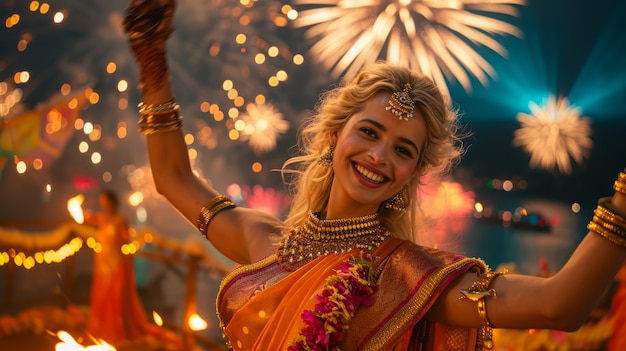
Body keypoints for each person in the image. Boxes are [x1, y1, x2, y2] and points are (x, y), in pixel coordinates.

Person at [122, 0, 626, 350]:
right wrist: (151, 63)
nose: (380, 155)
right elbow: (172, 179)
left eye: (403, 150)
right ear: (335, 135)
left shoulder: (408, 278)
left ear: (411, 175)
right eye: (368, 132)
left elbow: (559, 306)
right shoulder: (269, 241)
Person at [84, 190, 181, 348]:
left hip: (116, 265)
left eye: (105, 200)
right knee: (101, 297)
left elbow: (126, 241)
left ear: (113, 202)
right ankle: (101, 330)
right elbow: (86, 219)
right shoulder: (101, 219)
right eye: (101, 200)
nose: (103, 203)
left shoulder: (120, 220)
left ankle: (116, 332)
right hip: (102, 265)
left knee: (115, 299)